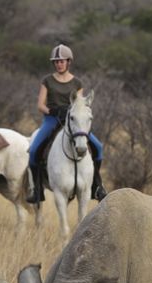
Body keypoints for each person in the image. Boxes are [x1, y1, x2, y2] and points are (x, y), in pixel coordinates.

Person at [26, 44, 106, 204]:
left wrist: (71, 112)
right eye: (56, 62)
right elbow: (40, 105)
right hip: (52, 119)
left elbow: (80, 105)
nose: (58, 64)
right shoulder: (47, 81)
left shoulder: (77, 82)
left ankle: (97, 186)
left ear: (68, 62)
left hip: (74, 122)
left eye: (62, 61)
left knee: (98, 147)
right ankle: (37, 190)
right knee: (34, 150)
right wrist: (52, 111)